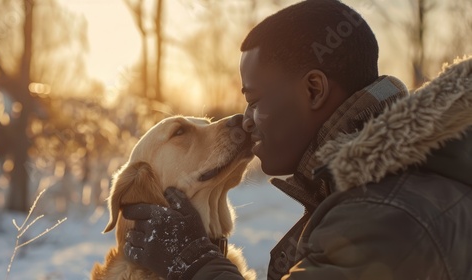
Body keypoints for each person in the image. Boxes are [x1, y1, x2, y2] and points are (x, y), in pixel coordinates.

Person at [121, 0, 472, 279]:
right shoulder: (380, 187)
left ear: (314, 90)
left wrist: (195, 263)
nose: (244, 121)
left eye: (255, 101)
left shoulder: (386, 215)